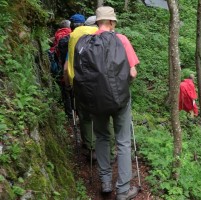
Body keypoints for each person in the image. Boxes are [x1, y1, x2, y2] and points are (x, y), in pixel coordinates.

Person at [90, 6, 140, 199]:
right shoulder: (121, 39)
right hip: (120, 99)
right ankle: (123, 190)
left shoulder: (88, 41)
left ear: (97, 22)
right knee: (123, 141)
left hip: (96, 99)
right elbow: (133, 72)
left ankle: (105, 182)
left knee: (102, 137)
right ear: (112, 22)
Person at [65, 14, 99, 160]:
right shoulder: (101, 36)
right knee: (100, 114)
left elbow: (66, 67)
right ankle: (106, 148)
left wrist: (67, 85)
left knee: (85, 117)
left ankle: (91, 148)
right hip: (99, 82)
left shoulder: (74, 37)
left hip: (78, 82)